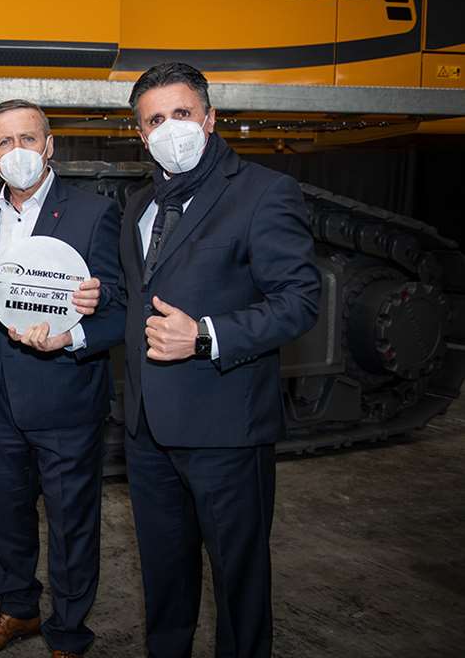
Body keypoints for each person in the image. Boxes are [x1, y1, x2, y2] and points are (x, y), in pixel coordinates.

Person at [119, 63, 320, 658]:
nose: (168, 128)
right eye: (154, 120)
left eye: (181, 114)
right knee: (164, 579)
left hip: (227, 429)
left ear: (210, 119)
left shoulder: (263, 191)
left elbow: (300, 301)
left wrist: (205, 334)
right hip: (148, 429)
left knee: (238, 585)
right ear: (140, 134)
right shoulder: (138, 206)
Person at [0, 100, 125, 658]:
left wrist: (74, 335)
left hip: (64, 393)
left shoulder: (94, 212)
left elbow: (118, 307)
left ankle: (69, 632)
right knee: (7, 514)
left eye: (28, 140)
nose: (17, 152)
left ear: (49, 146)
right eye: (4, 143)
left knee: (72, 522)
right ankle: (18, 611)